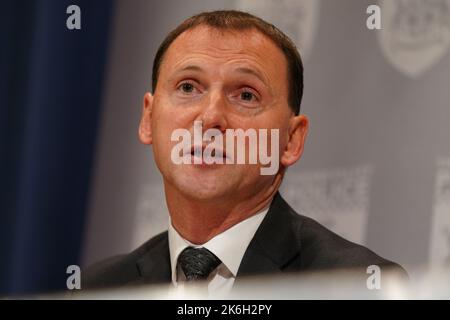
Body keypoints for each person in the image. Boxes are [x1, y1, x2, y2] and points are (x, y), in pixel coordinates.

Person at [83, 10, 406, 295]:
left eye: (246, 96)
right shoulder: (97, 290)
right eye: (188, 87)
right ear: (148, 120)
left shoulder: (355, 287)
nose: (210, 118)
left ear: (291, 140)